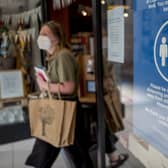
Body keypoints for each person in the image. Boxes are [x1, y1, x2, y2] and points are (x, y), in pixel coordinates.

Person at [25, 21, 93, 168]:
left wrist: (45, 85)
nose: (40, 37)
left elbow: (68, 87)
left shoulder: (63, 56)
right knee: (73, 153)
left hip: (67, 111)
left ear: (55, 38)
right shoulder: (54, 57)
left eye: (45, 34)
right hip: (59, 110)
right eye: (40, 34)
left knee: (76, 154)